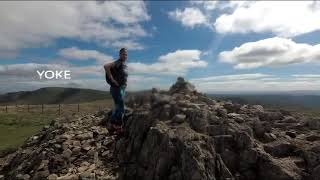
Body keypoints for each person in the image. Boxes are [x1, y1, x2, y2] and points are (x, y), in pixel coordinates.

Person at [104, 48, 128, 134]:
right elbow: (106, 66)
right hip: (116, 88)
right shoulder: (118, 62)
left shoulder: (123, 64)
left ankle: (112, 125)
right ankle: (117, 126)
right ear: (120, 54)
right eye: (123, 54)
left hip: (121, 88)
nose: (125, 56)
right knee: (120, 107)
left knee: (118, 106)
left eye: (126, 54)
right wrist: (112, 79)